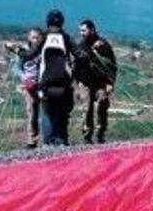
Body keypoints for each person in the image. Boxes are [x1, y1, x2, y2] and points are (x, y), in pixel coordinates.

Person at [37, 9, 77, 146]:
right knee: (62, 115)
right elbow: (79, 54)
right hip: (63, 85)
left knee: (47, 114)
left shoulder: (44, 37)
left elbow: (30, 54)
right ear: (62, 22)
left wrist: (17, 51)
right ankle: (62, 143)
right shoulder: (66, 38)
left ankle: (48, 143)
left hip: (46, 85)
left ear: (48, 22)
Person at [75, 18, 117, 144]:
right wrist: (77, 84)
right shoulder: (80, 46)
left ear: (92, 30)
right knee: (87, 109)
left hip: (101, 84)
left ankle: (100, 134)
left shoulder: (104, 45)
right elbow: (77, 65)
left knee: (102, 105)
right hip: (85, 83)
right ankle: (87, 137)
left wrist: (110, 83)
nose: (81, 33)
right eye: (80, 31)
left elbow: (112, 65)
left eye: (84, 31)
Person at [8, 27, 43, 148]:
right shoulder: (24, 51)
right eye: (33, 37)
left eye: (38, 38)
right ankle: (31, 140)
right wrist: (25, 79)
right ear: (29, 38)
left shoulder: (43, 50)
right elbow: (16, 68)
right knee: (32, 111)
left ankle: (48, 139)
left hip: (43, 84)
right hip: (29, 85)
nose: (36, 40)